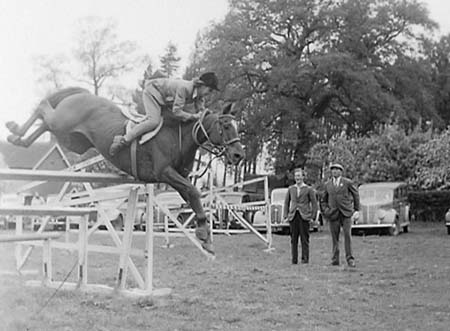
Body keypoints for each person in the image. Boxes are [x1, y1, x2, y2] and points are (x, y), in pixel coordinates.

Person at [109, 72, 220, 156]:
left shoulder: (200, 96)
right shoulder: (185, 88)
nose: (209, 94)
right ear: (201, 85)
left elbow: (202, 111)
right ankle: (124, 140)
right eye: (209, 90)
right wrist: (192, 116)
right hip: (152, 92)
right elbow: (177, 111)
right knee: (154, 121)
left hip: (164, 100)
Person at [321, 163, 360, 267]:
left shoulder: (347, 182)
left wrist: (356, 209)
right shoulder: (328, 184)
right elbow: (323, 200)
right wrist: (326, 210)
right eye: (333, 169)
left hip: (346, 213)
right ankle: (335, 259)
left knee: (347, 235)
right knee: (335, 237)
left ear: (341, 171)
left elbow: (356, 195)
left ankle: (350, 259)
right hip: (333, 214)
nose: (335, 171)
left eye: (337, 170)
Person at [283, 168, 318, 264]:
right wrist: (285, 216)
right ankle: (294, 260)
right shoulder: (291, 189)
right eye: (296, 176)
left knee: (304, 239)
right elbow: (286, 203)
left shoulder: (309, 189)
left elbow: (314, 204)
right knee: (293, 239)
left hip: (304, 216)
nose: (297, 178)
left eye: (299, 176)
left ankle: (305, 259)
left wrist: (313, 217)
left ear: (303, 177)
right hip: (293, 216)